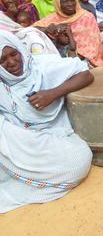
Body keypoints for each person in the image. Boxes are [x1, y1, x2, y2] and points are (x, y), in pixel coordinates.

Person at [0, 30, 93, 213]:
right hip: (20, 142)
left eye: (14, 54)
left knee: (80, 160)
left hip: (52, 136)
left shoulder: (42, 65)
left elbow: (86, 74)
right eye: (2, 60)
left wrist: (53, 94)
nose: (11, 63)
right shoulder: (3, 83)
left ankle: (27, 176)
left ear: (20, 50)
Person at [34, 0, 103, 67]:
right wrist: (47, 29)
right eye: (65, 2)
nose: (70, 4)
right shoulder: (53, 18)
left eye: (72, 0)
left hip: (84, 60)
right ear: (58, 3)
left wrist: (73, 58)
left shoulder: (87, 17)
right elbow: (31, 30)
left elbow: (93, 46)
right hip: (59, 60)